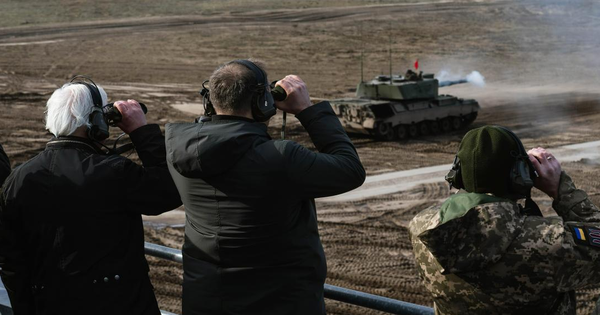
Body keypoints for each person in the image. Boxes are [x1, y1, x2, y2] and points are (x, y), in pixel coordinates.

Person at [165, 59, 366, 315]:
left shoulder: (177, 150)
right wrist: (307, 110)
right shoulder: (281, 157)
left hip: (205, 300)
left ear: (208, 100)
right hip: (280, 303)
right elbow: (351, 170)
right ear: (264, 103)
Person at [0, 78, 181, 315]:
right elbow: (169, 192)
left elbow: (12, 263)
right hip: (122, 306)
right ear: (97, 122)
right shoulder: (115, 172)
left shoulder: (17, 179)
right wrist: (141, 131)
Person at [409, 125, 600, 315]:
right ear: (520, 176)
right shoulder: (549, 241)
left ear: (457, 173)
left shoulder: (421, 226)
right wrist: (561, 189)